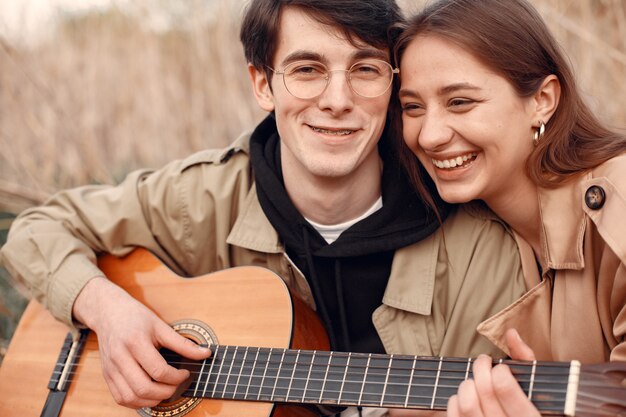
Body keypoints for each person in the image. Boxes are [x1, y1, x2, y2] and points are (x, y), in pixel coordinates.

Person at [0, 0, 526, 415]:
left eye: (365, 69)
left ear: (392, 84)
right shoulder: (203, 198)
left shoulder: (482, 245)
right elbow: (36, 231)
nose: (337, 99)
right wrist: (110, 313)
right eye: (307, 69)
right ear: (262, 84)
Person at [394, 0, 626, 415]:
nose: (428, 136)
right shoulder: (478, 237)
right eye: (412, 107)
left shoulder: (619, 197)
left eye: (460, 101)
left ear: (542, 99)